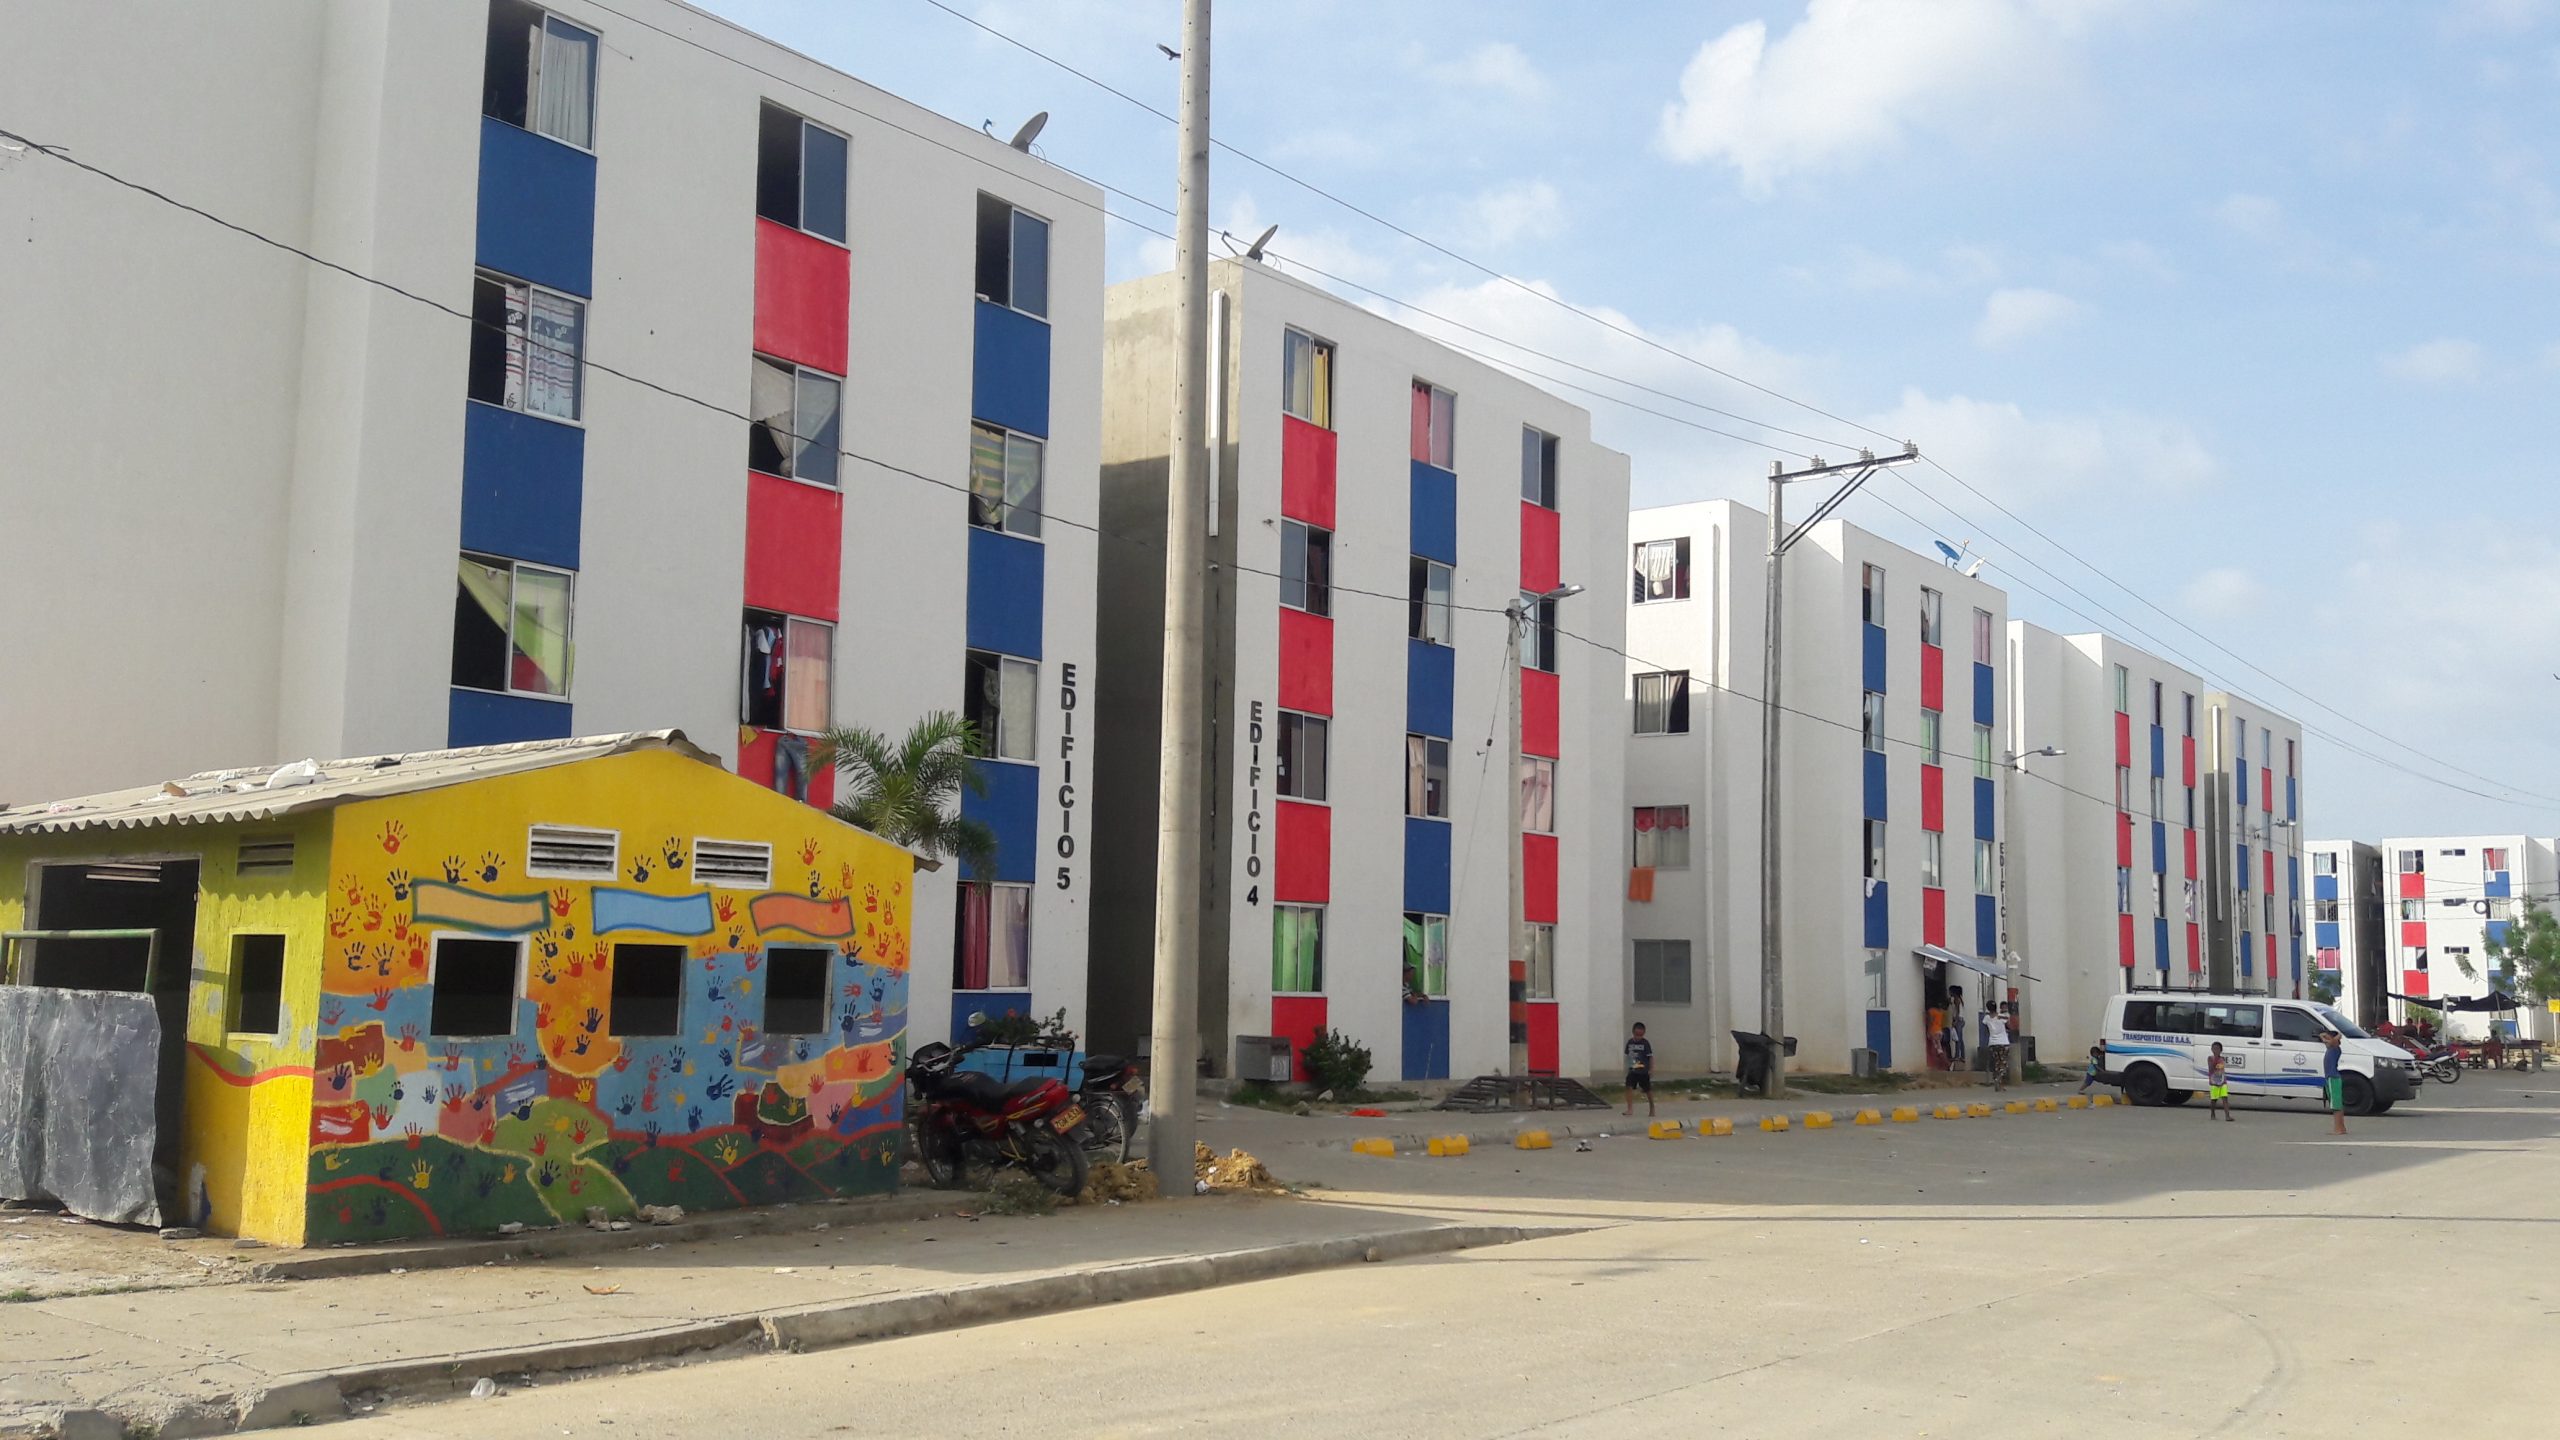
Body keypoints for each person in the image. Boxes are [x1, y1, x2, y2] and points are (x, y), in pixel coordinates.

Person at [1622, 1022, 1655, 1118]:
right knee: (1629, 1087)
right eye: (1637, 1035)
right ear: (1633, 1033)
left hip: (1643, 1071)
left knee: (1647, 1090)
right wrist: (1628, 1066)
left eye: (1641, 1035)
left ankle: (1652, 1108)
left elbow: (1651, 1057)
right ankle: (1630, 1109)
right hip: (1633, 1070)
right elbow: (1628, 1055)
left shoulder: (1645, 1043)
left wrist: (1651, 1069)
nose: (1638, 1037)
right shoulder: (1630, 1043)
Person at [2323, 1028, 2347, 1136]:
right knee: (2335, 1105)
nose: (2325, 1041)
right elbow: (2321, 1035)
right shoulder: (2330, 1048)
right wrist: (2328, 1037)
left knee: (2336, 1105)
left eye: (2328, 1038)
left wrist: (2336, 1036)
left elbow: (2338, 1036)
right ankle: (2341, 1127)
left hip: (2333, 1078)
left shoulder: (2335, 1048)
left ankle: (2338, 1129)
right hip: (2330, 1078)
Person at [1982, 1005, 2011, 1091]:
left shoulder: (1986, 1018)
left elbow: (1985, 1028)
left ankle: (1999, 1085)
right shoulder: (2002, 1016)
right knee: (2004, 1064)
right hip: (2003, 1043)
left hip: (1993, 1043)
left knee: (1997, 1063)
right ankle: (1999, 1078)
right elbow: (2008, 1024)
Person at [2206, 1042, 2233, 1121]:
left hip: (2222, 1081)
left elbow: (2222, 1070)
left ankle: (2227, 1116)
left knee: (2225, 1098)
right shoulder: (2210, 1058)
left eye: (2217, 1049)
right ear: (2211, 1049)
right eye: (2214, 1049)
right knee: (2214, 1099)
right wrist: (2216, 1058)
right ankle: (2212, 1114)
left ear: (2221, 1050)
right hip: (2214, 1081)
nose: (2215, 1051)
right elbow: (2211, 1068)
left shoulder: (2222, 1059)